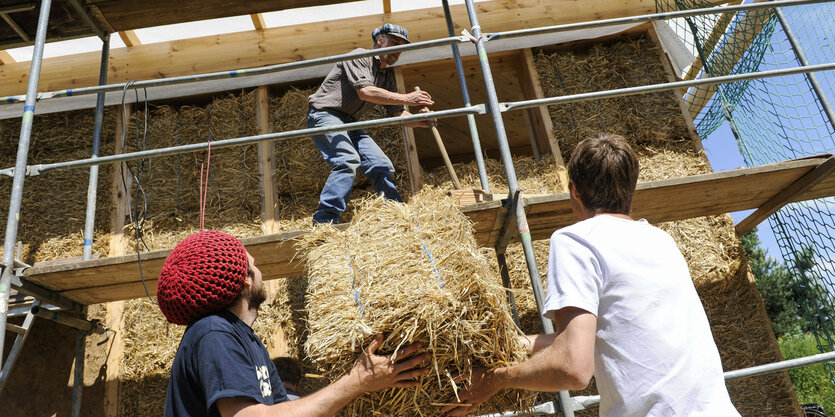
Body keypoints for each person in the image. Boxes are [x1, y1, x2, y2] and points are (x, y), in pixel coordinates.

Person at [442, 134, 740, 416]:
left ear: (574, 191)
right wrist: (523, 345)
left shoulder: (577, 240)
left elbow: (572, 366)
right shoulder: (661, 240)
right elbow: (613, 332)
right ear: (630, 189)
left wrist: (494, 380)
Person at [157, 230, 429, 417]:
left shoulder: (244, 339)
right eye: (255, 264)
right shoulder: (213, 333)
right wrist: (357, 380)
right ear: (245, 279)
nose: (261, 271)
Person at [307, 23, 435, 224]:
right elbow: (365, 91)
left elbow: (397, 113)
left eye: (401, 47)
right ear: (379, 41)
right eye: (394, 43)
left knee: (381, 164)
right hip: (325, 115)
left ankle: (396, 213)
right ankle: (325, 221)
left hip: (350, 122)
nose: (397, 50)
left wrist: (420, 121)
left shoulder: (386, 77)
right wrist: (408, 98)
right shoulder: (360, 56)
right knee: (347, 160)